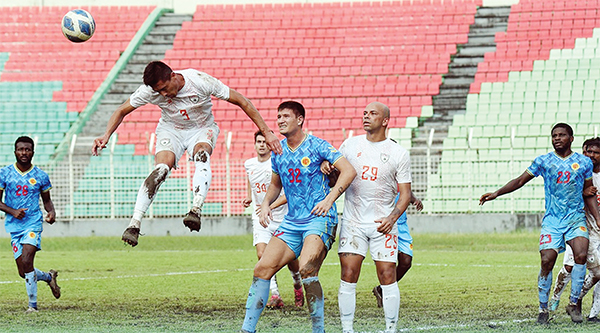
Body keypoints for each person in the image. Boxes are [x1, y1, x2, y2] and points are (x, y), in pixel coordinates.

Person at [91, 61, 282, 247]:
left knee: (202, 156)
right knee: (161, 170)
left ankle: (195, 209)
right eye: (159, 92)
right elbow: (122, 110)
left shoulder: (199, 81)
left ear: (173, 76)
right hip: (171, 129)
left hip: (201, 128)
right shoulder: (150, 91)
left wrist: (266, 132)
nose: (164, 94)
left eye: (165, 88)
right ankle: (134, 224)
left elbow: (242, 101)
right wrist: (106, 135)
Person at [241, 101, 356, 333]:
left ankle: (318, 330)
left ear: (300, 119)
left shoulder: (317, 146)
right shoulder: (279, 151)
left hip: (319, 219)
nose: (280, 120)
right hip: (292, 222)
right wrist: (265, 203)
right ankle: (246, 329)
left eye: (285, 116)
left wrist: (329, 199)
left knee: (306, 269)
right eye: (278, 117)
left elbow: (349, 170)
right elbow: (275, 184)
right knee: (261, 269)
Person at [480, 123, 600, 325]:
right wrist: (497, 193)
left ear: (571, 138)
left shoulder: (583, 163)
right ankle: (543, 309)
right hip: (552, 220)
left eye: (562, 135)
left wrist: (597, 217)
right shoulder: (543, 161)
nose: (557, 138)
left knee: (580, 255)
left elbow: (589, 192)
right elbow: (520, 181)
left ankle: (573, 304)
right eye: (554, 135)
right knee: (547, 260)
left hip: (575, 219)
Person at [320, 102, 411, 333]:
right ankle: (347, 329)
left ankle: (391, 329)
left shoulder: (398, 153)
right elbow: (336, 181)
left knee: (388, 275)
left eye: (373, 114)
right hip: (353, 222)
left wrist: (392, 218)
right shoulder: (350, 145)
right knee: (348, 274)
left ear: (385, 120)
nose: (366, 117)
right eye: (364, 113)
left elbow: (405, 194)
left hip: (383, 223)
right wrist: (329, 172)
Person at [242, 130, 304, 309]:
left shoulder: (277, 164)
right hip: (262, 217)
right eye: (258, 142)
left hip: (283, 217)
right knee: (262, 255)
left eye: (264, 142)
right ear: (255, 144)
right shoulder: (249, 164)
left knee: (291, 259)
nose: (261, 144)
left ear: (270, 145)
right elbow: (251, 180)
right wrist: (250, 197)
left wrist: (269, 206)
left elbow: (288, 193)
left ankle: (297, 284)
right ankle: (275, 295)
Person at [0, 136, 61, 312]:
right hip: (14, 226)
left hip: (33, 224)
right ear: (15, 152)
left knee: (27, 260)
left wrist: (51, 212)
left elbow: (47, 201)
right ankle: (48, 277)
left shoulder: (41, 176)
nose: (24, 153)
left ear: (33, 152)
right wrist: (12, 211)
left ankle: (32, 306)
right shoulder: (4, 173)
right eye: (20, 149)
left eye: (27, 149)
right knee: (23, 271)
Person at [548, 137, 600, 321]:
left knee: (598, 272)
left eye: (595, 152)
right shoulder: (577, 170)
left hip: (597, 230)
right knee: (570, 266)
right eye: (587, 152)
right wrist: (582, 192)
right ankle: (555, 298)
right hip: (578, 227)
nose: (590, 156)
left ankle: (590, 311)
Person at [372, 192, 423, 308]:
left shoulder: (401, 174)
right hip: (384, 222)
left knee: (406, 261)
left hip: (401, 223)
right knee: (386, 262)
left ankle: (381, 289)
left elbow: (404, 188)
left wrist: (414, 199)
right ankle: (388, 294)